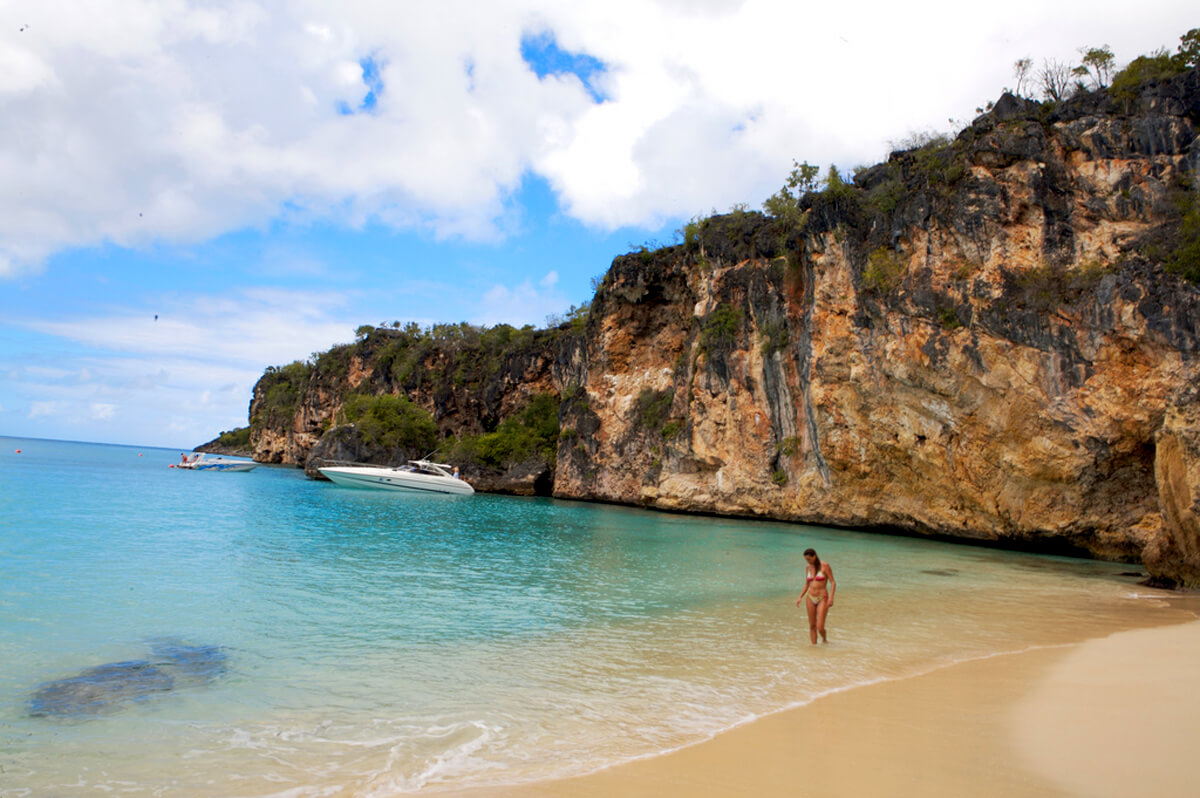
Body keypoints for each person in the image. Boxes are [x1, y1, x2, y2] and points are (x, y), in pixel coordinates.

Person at [795, 547, 835, 644]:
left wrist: (831, 597)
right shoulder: (808, 567)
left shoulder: (825, 565)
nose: (807, 561)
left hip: (822, 597)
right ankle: (814, 649)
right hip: (810, 597)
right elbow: (807, 584)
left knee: (820, 626)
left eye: (809, 559)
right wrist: (800, 597)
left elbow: (833, 582)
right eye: (806, 559)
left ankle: (824, 640)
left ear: (815, 556)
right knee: (812, 625)